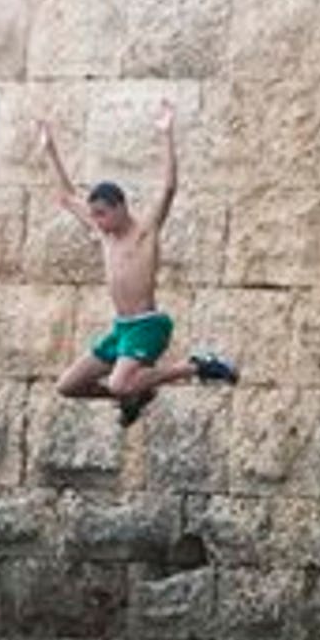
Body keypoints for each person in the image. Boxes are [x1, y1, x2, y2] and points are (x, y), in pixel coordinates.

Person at [38, 100, 238, 425]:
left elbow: (169, 187)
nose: (97, 222)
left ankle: (195, 366)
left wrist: (167, 134)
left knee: (118, 381)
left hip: (148, 325)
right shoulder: (104, 234)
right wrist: (50, 151)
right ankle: (134, 393)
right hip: (122, 329)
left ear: (120, 207)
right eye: (95, 215)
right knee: (68, 386)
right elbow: (64, 196)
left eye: (102, 214)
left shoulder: (145, 232)